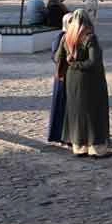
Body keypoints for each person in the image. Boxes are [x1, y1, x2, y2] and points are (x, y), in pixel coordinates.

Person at [55, 10, 110, 157]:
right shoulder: (90, 38)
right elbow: (94, 61)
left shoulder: (66, 37)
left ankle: (79, 147)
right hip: (90, 80)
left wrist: (70, 63)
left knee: (76, 112)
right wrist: (76, 64)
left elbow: (57, 57)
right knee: (93, 112)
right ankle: (96, 148)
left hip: (72, 80)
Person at [48, 12, 73, 145]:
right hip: (62, 76)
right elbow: (54, 56)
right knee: (61, 105)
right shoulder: (60, 37)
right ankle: (59, 135)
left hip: (71, 76)